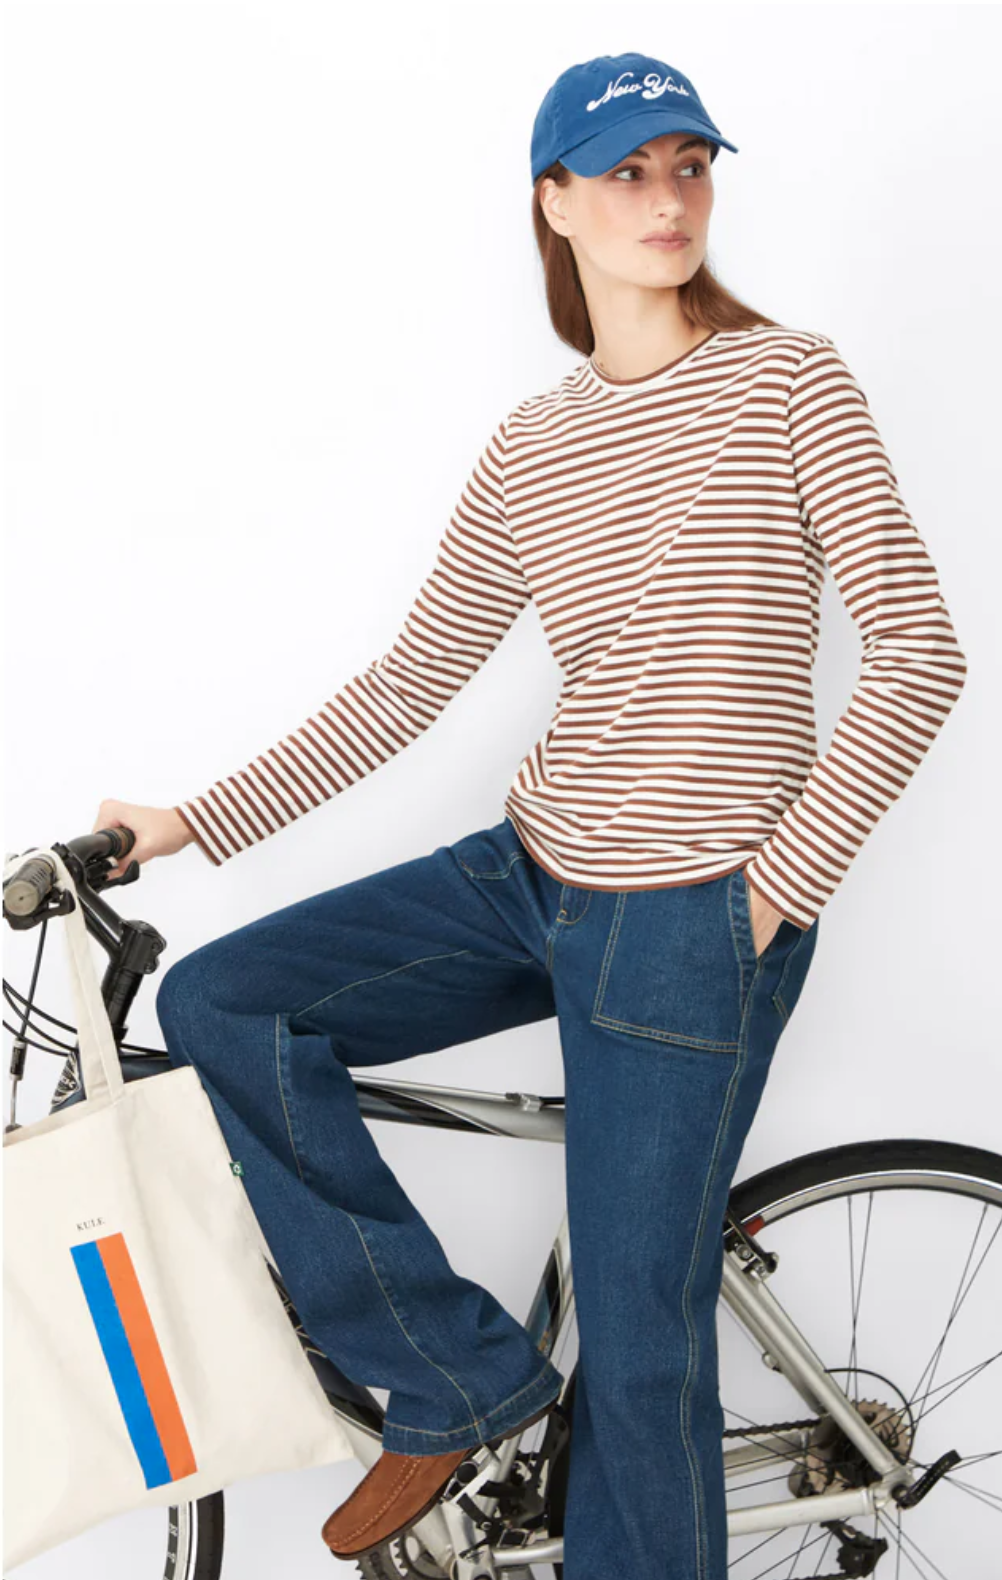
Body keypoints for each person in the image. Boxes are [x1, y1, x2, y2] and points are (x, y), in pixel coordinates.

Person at [92, 51, 968, 1579]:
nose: (667, 197)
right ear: (553, 203)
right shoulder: (532, 446)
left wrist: (771, 890)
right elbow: (409, 682)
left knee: (640, 1352)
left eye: (689, 163)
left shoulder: (788, 380)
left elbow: (918, 651)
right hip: (530, 872)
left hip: (696, 912)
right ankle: (445, 1374)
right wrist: (187, 822)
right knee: (225, 1002)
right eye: (626, 170)